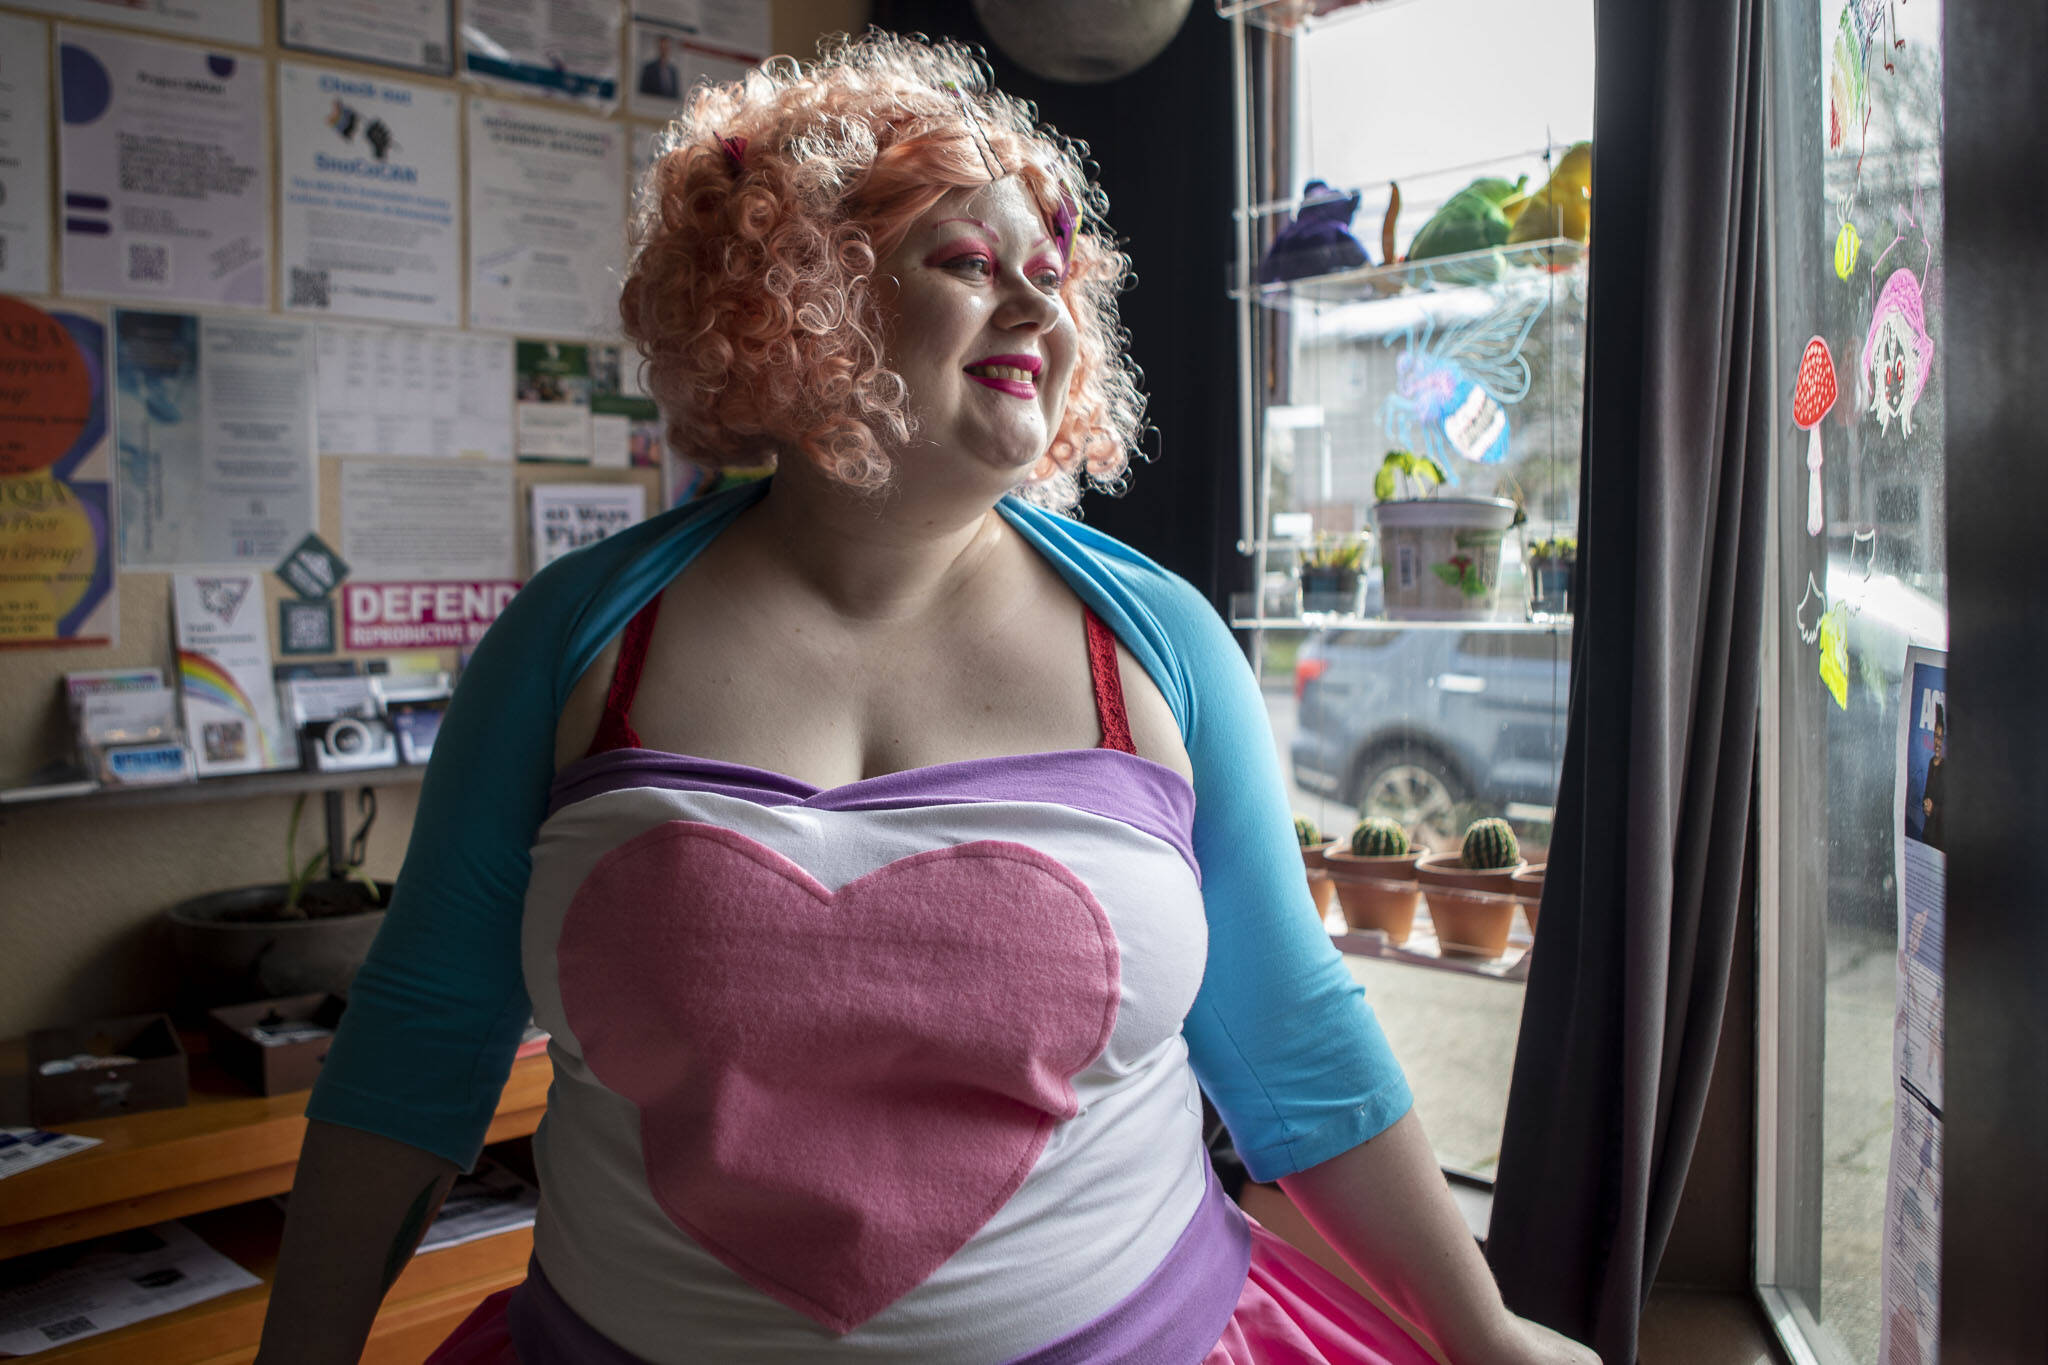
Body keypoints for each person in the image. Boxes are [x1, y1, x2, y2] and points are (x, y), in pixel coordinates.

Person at [257, 33, 1597, 1365]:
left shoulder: (1163, 644)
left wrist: (1483, 1336)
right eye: (968, 264)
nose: (1040, 309)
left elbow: (1294, 1041)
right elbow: (418, 1052)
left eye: (1052, 274)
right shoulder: (571, 641)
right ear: (798, 300)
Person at [639, 34, 680, 99]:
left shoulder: (673, 71)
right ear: (658, 48)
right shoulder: (649, 69)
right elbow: (643, 92)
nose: (664, 51)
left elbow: (676, 94)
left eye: (666, 48)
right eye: (662, 48)